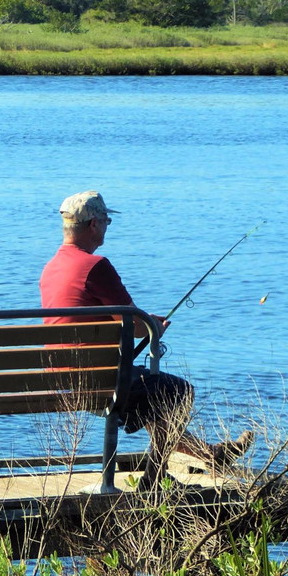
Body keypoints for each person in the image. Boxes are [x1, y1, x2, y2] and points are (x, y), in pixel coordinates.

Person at [40, 190, 252, 489]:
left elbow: (106, 315)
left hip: (64, 376)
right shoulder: (95, 266)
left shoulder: (51, 268)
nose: (106, 227)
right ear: (93, 225)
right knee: (178, 391)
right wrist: (155, 327)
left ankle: (211, 454)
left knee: (155, 398)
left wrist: (144, 322)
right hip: (99, 379)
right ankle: (153, 481)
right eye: (106, 221)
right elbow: (137, 326)